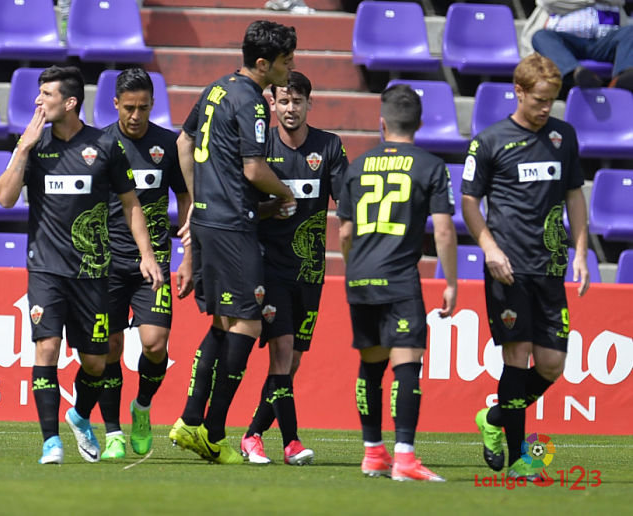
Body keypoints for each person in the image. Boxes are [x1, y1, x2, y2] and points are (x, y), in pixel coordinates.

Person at [0, 65, 163, 465]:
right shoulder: (34, 147)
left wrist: (147, 254)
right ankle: (50, 442)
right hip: (46, 269)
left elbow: (131, 205)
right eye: (39, 94)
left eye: (47, 95)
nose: (38, 101)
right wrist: (22, 148)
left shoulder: (105, 147)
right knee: (47, 347)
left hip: (92, 272)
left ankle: (77, 415)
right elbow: (4, 198)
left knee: (96, 361)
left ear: (70, 102)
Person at [168, 20, 298, 465]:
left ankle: (190, 419)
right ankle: (214, 431)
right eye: (285, 61)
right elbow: (253, 169)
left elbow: (183, 142)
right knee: (248, 325)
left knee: (224, 324)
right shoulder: (252, 103)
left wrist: (196, 201)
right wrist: (286, 192)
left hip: (208, 221)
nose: (290, 67)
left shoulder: (216, 89)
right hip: (232, 226)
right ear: (263, 64)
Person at [461, 53, 590, 481]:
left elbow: (574, 194)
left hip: (550, 266)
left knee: (553, 364)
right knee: (516, 359)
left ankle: (493, 418)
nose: (545, 107)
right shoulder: (490, 140)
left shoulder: (563, 136)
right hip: (508, 269)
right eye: (538, 99)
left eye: (551, 100)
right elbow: (468, 202)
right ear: (519, 92)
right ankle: (519, 461)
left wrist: (582, 253)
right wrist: (489, 248)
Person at [337, 84, 458, 482]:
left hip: (360, 278)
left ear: (382, 123)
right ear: (420, 124)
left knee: (370, 365)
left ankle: (373, 453)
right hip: (400, 279)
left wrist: (356, 268)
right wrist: (452, 282)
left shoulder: (357, 166)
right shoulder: (430, 166)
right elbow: (442, 231)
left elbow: (344, 233)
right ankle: (405, 457)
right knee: (406, 365)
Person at [239, 71, 349, 465]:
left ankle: (252, 434)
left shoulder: (329, 146)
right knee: (282, 351)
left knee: (292, 360)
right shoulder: (259, 148)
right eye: (283, 101)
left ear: (309, 104)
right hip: (270, 270)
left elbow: (346, 201)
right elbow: (243, 208)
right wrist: (270, 207)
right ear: (272, 104)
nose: (290, 108)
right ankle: (291, 443)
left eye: (297, 101)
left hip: (310, 273)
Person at [97, 68, 193, 460]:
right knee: (109, 349)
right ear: (115, 104)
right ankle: (112, 432)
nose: (136, 116)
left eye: (144, 108)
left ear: (153, 105)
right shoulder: (100, 145)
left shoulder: (166, 145)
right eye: (129, 108)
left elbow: (185, 198)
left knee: (155, 345)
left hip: (152, 266)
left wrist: (189, 253)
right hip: (105, 264)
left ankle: (142, 407)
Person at [520, 0, 633, 91]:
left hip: (603, 42)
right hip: (567, 43)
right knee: (540, 36)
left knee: (630, 32)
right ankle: (575, 74)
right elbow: (548, 2)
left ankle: (621, 81)